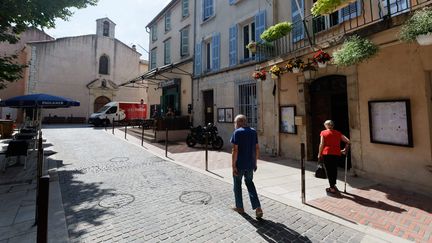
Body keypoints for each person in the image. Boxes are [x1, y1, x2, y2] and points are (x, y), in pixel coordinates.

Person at [230, 114, 263, 218]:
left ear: (239, 122)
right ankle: (258, 208)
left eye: (235, 123)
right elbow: (257, 148)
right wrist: (255, 162)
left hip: (239, 164)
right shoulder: (253, 132)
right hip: (250, 164)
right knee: (250, 184)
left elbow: (235, 150)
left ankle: (239, 206)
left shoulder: (237, 132)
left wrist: (233, 165)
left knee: (237, 184)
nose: (234, 125)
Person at [317, 120, 350, 194]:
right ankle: (333, 185)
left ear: (327, 125)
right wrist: (345, 149)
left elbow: (321, 144)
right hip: (336, 153)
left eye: (325, 125)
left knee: (329, 170)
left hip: (327, 153)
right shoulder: (338, 133)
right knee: (334, 169)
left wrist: (319, 154)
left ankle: (332, 187)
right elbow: (348, 141)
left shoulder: (323, 132)